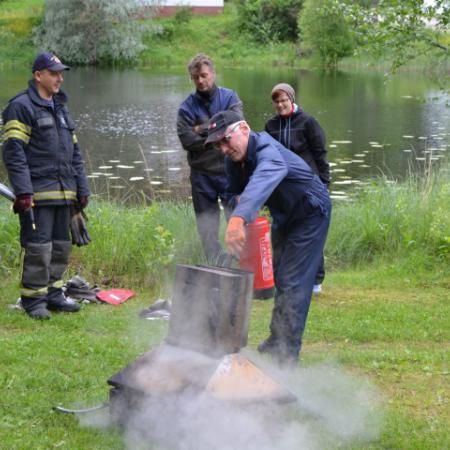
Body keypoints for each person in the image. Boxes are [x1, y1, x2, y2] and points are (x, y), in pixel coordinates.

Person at [205, 110, 331, 365]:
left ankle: (286, 355)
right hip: (284, 214)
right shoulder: (233, 161)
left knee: (293, 282)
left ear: (244, 128)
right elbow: (231, 193)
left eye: (226, 140)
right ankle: (277, 339)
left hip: (311, 212)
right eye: (218, 144)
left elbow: (268, 173)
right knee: (280, 275)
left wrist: (239, 219)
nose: (224, 148)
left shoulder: (267, 149)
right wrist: (235, 211)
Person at [2, 52, 90, 319]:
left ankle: (53, 294)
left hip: (65, 192)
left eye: (61, 73)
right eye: (54, 73)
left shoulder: (61, 107)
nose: (59, 78)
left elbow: (74, 153)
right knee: (39, 249)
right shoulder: (20, 106)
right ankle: (32, 300)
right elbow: (13, 153)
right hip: (37, 194)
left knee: (61, 246)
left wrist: (82, 189)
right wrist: (24, 192)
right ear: (38, 75)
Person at [177, 53, 243, 263]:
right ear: (192, 79)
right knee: (207, 226)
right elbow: (187, 141)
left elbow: (237, 125)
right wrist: (219, 132)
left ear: (213, 74)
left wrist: (201, 129)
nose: (201, 81)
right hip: (201, 175)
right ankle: (215, 264)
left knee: (237, 220)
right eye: (196, 77)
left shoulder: (230, 97)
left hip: (229, 171)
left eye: (204, 75)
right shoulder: (186, 107)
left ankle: (241, 262)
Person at [265, 83, 330, 294]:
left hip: (308, 187)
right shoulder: (270, 126)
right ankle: (281, 279)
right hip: (282, 190)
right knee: (281, 233)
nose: (280, 105)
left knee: (311, 231)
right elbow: (266, 159)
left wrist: (324, 185)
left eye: (284, 100)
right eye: (276, 101)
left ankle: (315, 280)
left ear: (291, 100)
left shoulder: (308, 122)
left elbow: (320, 154)